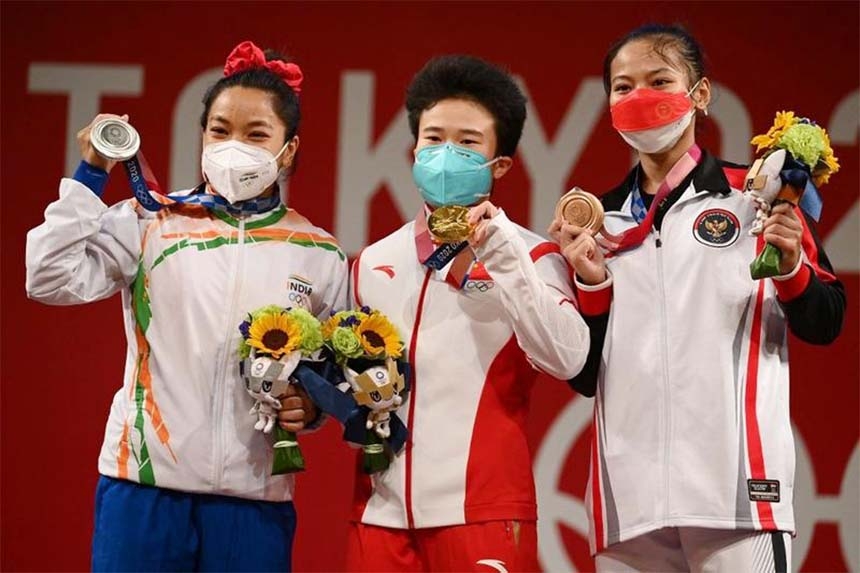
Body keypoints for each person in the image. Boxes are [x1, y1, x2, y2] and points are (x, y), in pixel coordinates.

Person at [25, 41, 348, 572]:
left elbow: (327, 375)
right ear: (202, 135)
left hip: (254, 501)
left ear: (288, 149)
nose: (233, 145)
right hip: (144, 489)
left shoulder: (320, 252)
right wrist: (91, 172)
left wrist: (309, 411)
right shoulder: (152, 220)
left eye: (256, 134)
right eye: (220, 130)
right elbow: (47, 276)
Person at [549, 24, 845, 572]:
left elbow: (827, 321)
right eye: (623, 87)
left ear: (700, 94)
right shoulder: (600, 224)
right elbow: (586, 377)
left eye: (660, 81)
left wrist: (792, 272)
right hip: (628, 507)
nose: (640, 98)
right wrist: (591, 284)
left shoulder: (755, 196)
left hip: (735, 495)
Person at [345, 54, 590, 572]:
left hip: (482, 514)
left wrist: (500, 254)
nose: (445, 154)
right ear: (413, 151)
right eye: (433, 139)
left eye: (468, 142)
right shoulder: (372, 263)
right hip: (377, 515)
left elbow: (567, 358)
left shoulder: (534, 257)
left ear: (499, 164)